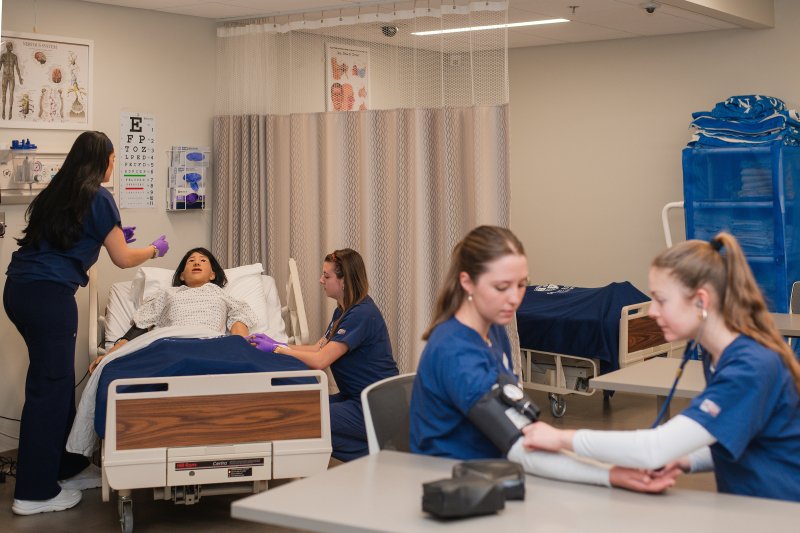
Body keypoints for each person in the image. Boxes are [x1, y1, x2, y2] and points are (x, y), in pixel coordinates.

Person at [522, 232, 800, 502]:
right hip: (751, 507)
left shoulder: (750, 367)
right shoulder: (716, 355)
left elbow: (654, 449)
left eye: (661, 300)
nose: (652, 311)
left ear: (701, 301)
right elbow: (735, 436)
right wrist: (685, 460)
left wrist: (561, 437)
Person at [409, 225, 677, 493]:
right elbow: (519, 444)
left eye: (521, 285)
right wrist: (610, 474)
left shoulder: (493, 329)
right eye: (501, 287)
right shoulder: (455, 351)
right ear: (467, 282)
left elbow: (524, 427)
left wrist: (606, 466)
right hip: (456, 484)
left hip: (497, 470)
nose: (514, 299)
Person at [3, 131, 170, 515]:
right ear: (103, 160)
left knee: (58, 382)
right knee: (50, 388)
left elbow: (66, 239)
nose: (114, 166)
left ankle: (64, 468)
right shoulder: (99, 196)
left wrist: (107, 237)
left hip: (20, 292)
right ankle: (33, 493)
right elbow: (124, 259)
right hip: (49, 297)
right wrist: (153, 249)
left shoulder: (58, 193)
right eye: (112, 160)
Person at [250, 248, 399, 461]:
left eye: (327, 276)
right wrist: (277, 343)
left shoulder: (362, 314)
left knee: (305, 418)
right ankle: (375, 451)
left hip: (375, 406)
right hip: (356, 398)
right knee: (303, 406)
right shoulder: (343, 311)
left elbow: (320, 360)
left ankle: (382, 453)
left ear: (345, 281)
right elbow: (318, 348)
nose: (321, 280)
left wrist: (276, 350)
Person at [90, 247, 259, 371]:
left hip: (210, 345)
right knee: (114, 370)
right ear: (182, 276)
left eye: (203, 260)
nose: (196, 262)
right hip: (170, 345)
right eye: (191, 261)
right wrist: (112, 353)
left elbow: (239, 322)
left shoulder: (222, 295)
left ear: (212, 274)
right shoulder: (167, 294)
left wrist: (241, 350)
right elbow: (143, 323)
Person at [0, 41, 23, 120]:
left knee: (11, 94)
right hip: (5, 76)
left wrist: (20, 77)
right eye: (11, 46)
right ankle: (3, 110)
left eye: (12, 46)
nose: (12, 47)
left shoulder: (14, 56)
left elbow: (17, 67)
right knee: (4, 94)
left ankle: (10, 111)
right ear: (7, 47)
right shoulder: (3, 56)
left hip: (12, 77)